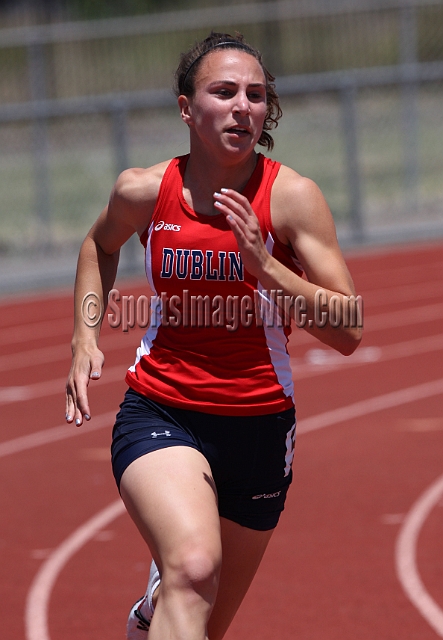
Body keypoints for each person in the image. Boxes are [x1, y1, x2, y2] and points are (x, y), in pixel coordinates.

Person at [65, 32, 362, 640]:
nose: (241, 106)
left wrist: (267, 266)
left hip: (259, 425)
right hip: (163, 408)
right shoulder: (144, 191)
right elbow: (99, 245)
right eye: (223, 92)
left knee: (202, 622)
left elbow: (350, 329)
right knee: (195, 565)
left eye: (255, 95)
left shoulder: (292, 199)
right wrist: (84, 335)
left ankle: (151, 617)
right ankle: (167, 593)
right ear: (186, 108)